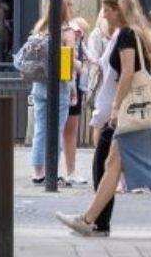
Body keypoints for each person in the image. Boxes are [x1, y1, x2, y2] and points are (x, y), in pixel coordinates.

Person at [57, 0, 151, 240]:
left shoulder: (126, 35)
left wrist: (116, 107)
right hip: (138, 111)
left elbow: (128, 73)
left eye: (108, 9)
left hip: (134, 111)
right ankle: (90, 220)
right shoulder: (134, 33)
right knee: (114, 165)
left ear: (119, 10)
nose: (104, 14)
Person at [28, 0, 79, 185]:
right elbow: (70, 62)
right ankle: (52, 170)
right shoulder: (67, 32)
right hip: (59, 85)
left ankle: (37, 171)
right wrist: (75, 85)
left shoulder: (39, 29)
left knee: (40, 129)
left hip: (39, 84)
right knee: (56, 129)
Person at [63, 14, 93, 186]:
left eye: (80, 33)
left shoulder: (82, 48)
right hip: (68, 89)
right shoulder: (70, 46)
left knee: (70, 132)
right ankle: (65, 171)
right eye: (76, 32)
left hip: (76, 90)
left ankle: (70, 171)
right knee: (66, 132)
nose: (78, 36)